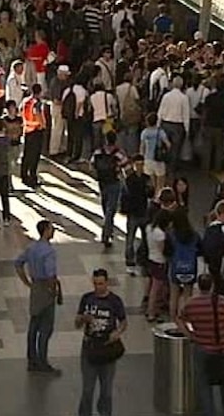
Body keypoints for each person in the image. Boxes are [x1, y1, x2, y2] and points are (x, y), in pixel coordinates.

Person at [177, 274, 224, 416]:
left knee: (204, 385)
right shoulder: (222, 301)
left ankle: (208, 412)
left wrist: (190, 335)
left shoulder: (191, 303)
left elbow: (180, 319)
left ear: (198, 287)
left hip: (202, 348)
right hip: (223, 348)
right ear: (212, 285)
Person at [76, 268, 128, 416]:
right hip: (90, 347)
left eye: (101, 283)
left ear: (107, 283)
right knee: (87, 389)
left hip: (107, 348)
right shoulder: (86, 299)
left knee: (106, 390)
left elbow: (123, 322)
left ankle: (105, 412)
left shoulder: (115, 301)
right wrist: (83, 319)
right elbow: (77, 323)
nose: (98, 287)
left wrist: (117, 333)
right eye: (95, 283)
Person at [15, 221, 62, 376]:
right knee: (46, 328)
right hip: (45, 289)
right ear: (46, 231)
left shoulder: (31, 248)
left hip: (35, 287)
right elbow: (50, 274)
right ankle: (42, 361)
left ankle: (32, 359)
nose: (53, 231)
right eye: (51, 228)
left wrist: (26, 281)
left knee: (33, 325)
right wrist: (52, 289)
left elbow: (18, 263)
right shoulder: (48, 251)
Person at [91, 131, 128, 248]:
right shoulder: (118, 153)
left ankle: (108, 230)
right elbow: (126, 164)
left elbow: (91, 164)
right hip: (114, 182)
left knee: (105, 206)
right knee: (111, 209)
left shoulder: (98, 151)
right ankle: (106, 234)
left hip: (102, 182)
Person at [122, 154, 152, 275]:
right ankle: (130, 261)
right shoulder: (129, 179)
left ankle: (142, 260)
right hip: (133, 213)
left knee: (145, 238)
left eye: (141, 164)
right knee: (130, 239)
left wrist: (150, 189)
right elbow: (125, 195)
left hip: (144, 212)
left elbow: (150, 193)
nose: (139, 167)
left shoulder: (146, 178)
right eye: (137, 165)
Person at [21, 83, 46, 188]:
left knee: (27, 154)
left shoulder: (26, 101)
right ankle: (32, 177)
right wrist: (42, 125)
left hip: (27, 129)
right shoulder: (37, 103)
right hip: (36, 130)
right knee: (34, 156)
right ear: (39, 92)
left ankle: (24, 175)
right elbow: (38, 114)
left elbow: (20, 111)